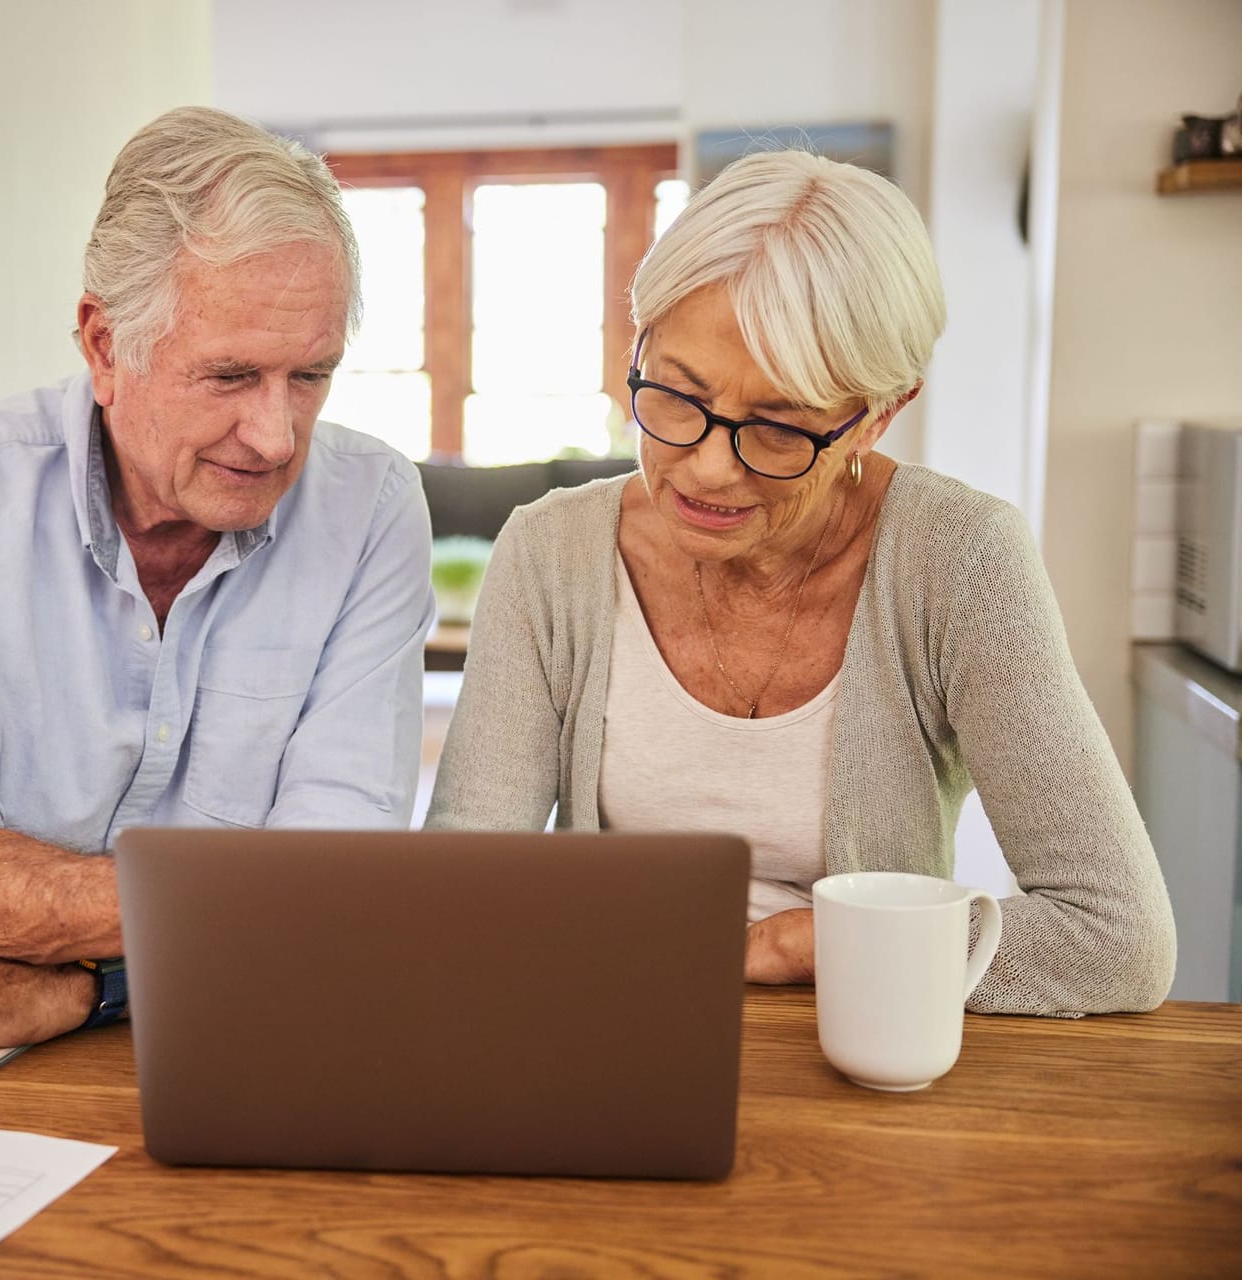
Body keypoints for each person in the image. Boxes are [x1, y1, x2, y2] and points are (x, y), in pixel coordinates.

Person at [425, 150, 1175, 1016]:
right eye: (675, 394)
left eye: (778, 427)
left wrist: (823, 943)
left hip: (863, 1043)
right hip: (616, 1025)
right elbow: (463, 884)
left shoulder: (960, 560)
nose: (706, 469)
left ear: (879, 414)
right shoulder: (551, 553)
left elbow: (1117, 937)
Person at [0, 107, 434, 1064]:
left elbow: (333, 897)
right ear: (103, 347)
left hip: (250, 1047)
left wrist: (73, 987)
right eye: (229, 376)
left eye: (310, 376)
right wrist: (232, 903)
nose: (274, 435)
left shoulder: (371, 506)